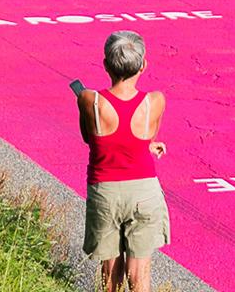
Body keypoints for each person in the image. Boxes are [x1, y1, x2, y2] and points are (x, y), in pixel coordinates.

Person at [75, 31, 169, 292]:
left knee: (110, 275)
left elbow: (89, 138)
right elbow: (145, 135)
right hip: (144, 192)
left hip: (106, 192)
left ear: (106, 65)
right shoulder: (155, 101)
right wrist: (147, 145)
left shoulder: (89, 101)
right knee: (140, 276)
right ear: (143, 65)